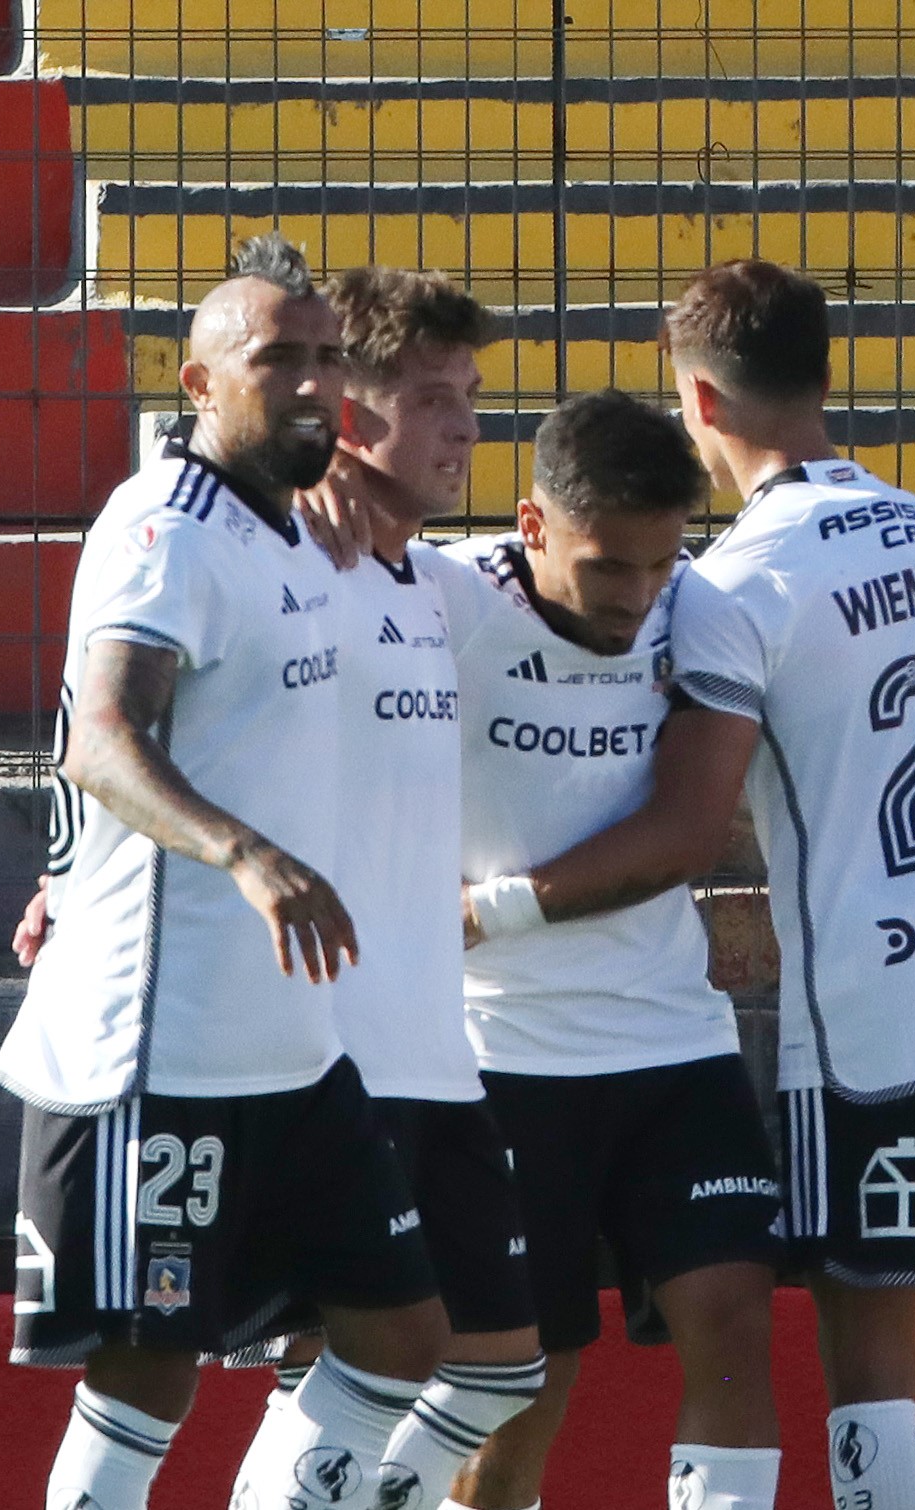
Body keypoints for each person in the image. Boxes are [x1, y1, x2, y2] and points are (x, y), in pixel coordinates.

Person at [471, 259, 915, 1510]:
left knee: (868, 1368)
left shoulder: (732, 583)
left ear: (699, 405)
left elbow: (685, 827)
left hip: (871, 1011)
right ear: (823, 377)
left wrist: (489, 904)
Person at [0, 232, 448, 1510]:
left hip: (291, 1050)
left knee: (403, 1330)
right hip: (165, 1042)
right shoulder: (163, 526)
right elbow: (101, 738)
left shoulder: (291, 532)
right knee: (150, 1371)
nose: (312, 382)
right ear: (199, 385)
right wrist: (243, 852)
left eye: (323, 357)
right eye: (275, 360)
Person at [226, 264, 549, 1510]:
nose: (463, 423)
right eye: (429, 397)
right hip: (331, 1049)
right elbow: (128, 667)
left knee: (500, 1363)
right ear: (348, 411)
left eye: (468, 394)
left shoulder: (441, 583)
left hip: (436, 1048)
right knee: (352, 1350)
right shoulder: (286, 551)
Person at [439, 391, 789, 1510]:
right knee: (517, 1381)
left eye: (659, 563)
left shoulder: (705, 606)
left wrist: (485, 908)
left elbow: (685, 833)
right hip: (495, 1053)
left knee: (735, 1316)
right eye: (608, 570)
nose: (640, 599)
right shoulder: (441, 603)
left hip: (669, 1044)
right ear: (532, 526)